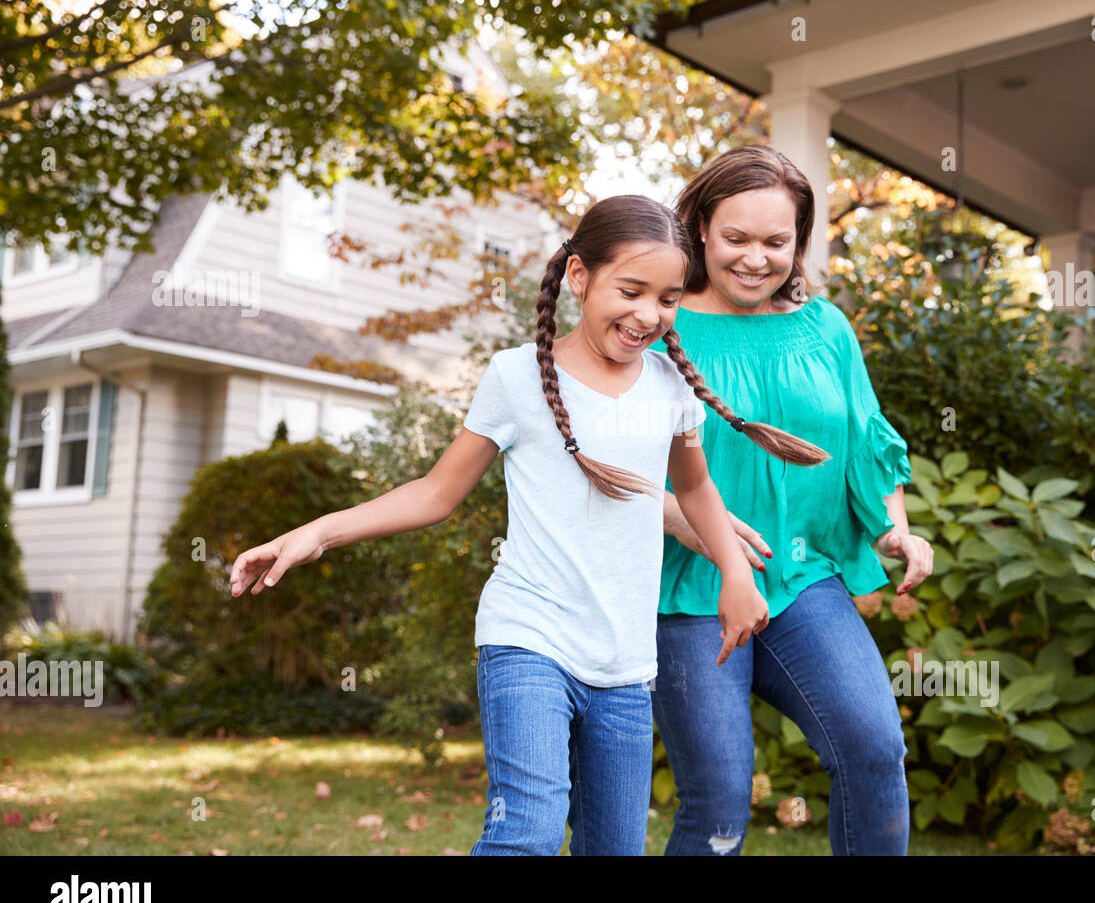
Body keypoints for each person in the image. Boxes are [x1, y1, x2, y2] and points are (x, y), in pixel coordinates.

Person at [228, 193, 825, 855]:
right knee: (528, 832)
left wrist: (734, 570)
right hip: (528, 637)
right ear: (578, 276)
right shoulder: (516, 377)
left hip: (625, 663)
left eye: (668, 298)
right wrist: (318, 532)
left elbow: (696, 489)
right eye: (630, 290)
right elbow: (435, 492)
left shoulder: (670, 388)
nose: (648, 315)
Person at [646, 145, 936, 855]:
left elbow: (864, 438)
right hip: (687, 591)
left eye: (776, 241)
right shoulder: (657, 325)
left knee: (873, 749)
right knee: (717, 803)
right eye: (736, 238)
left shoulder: (825, 328)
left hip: (804, 579)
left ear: (798, 240)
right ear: (701, 230)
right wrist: (687, 525)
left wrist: (894, 528)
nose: (755, 258)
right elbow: (604, 458)